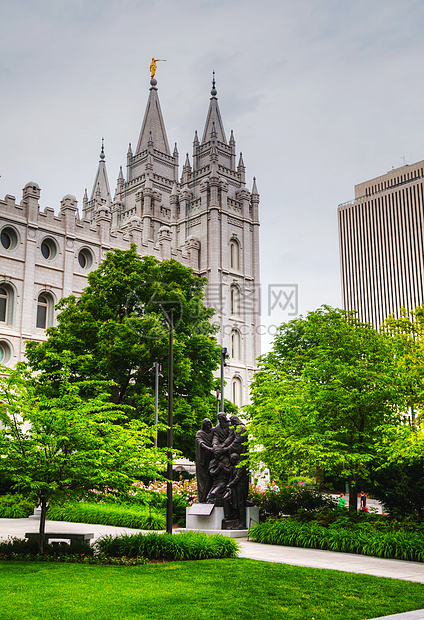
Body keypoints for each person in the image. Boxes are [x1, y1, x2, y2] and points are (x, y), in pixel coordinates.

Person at [195, 418, 214, 503]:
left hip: (212, 457)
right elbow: (200, 442)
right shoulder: (200, 433)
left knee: (212, 476)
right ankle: (202, 498)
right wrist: (209, 448)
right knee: (203, 478)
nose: (208, 426)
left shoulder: (213, 432)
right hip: (202, 460)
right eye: (206, 425)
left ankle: (210, 497)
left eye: (209, 424)